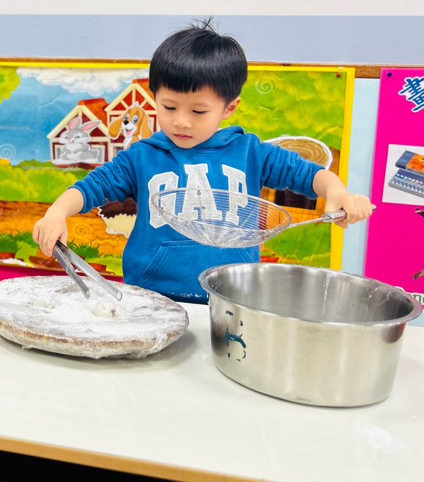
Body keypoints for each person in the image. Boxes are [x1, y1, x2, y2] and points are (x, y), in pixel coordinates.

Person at [32, 22, 374, 303]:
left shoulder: (250, 152)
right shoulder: (142, 155)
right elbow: (90, 188)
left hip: (232, 299)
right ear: (155, 98)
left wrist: (339, 193)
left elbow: (311, 175)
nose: (181, 121)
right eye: (169, 107)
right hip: (151, 299)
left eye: (198, 111)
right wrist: (56, 213)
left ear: (229, 108)